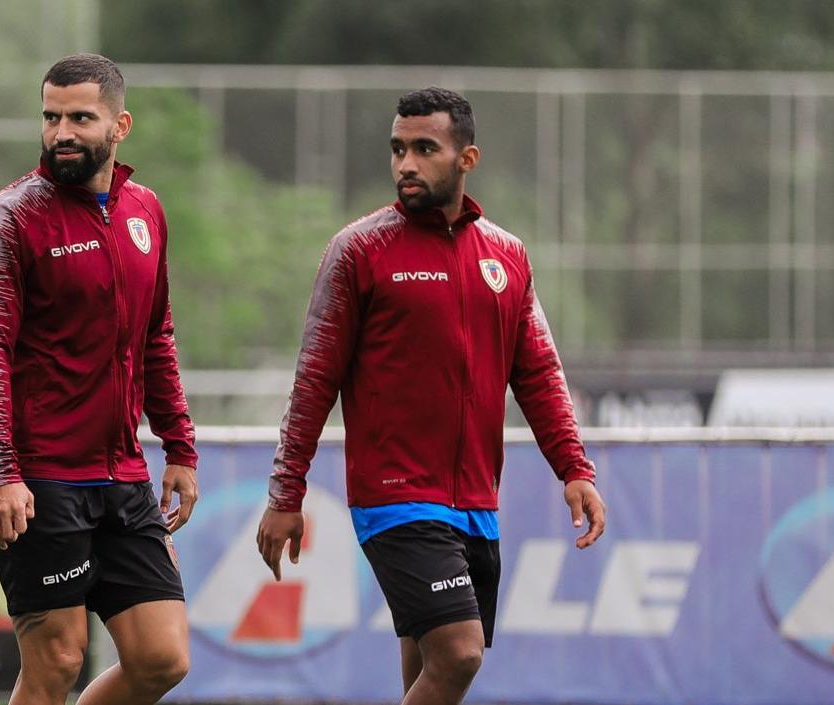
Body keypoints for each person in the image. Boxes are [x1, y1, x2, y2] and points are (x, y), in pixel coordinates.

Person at [256, 87, 607, 705]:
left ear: (466, 158)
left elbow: (539, 374)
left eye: (424, 149)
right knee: (459, 653)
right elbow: (314, 380)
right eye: (398, 149)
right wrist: (287, 493)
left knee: (425, 666)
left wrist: (573, 468)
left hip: (476, 499)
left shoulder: (506, 256)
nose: (406, 164)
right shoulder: (360, 251)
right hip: (395, 497)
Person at [0, 53, 199, 705]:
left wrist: (178, 447)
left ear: (119, 125)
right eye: (50, 116)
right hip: (39, 476)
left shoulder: (145, 211)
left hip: (122, 475)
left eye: (79, 117)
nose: (61, 131)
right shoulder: (10, 216)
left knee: (161, 656)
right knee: (56, 658)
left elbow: (157, 336)